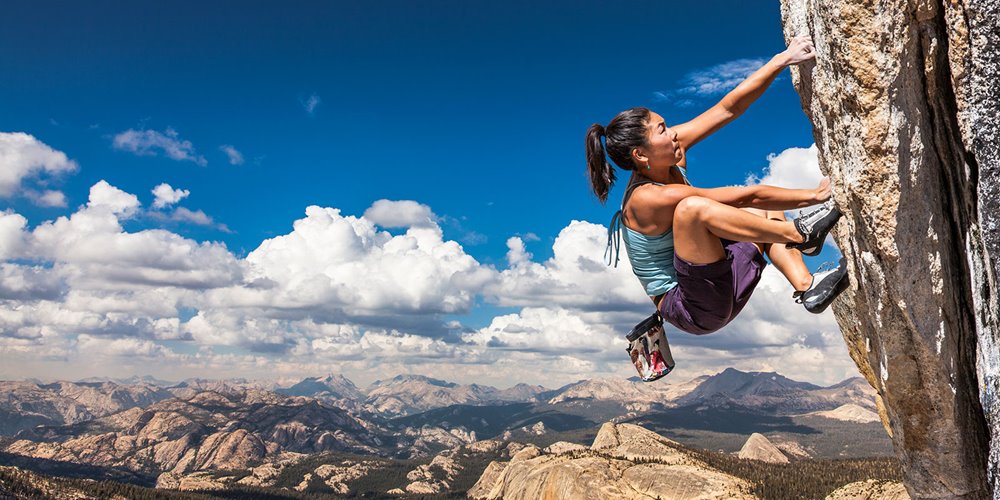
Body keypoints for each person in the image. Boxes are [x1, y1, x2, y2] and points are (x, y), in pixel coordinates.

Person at [585, 35, 848, 336]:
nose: (672, 133)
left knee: (764, 213)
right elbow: (742, 196)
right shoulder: (645, 199)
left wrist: (782, 59)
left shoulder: (670, 154)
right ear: (641, 154)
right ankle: (800, 234)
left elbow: (728, 109)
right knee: (692, 210)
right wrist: (816, 196)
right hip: (692, 307)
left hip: (719, 278)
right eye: (662, 131)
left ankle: (808, 287)